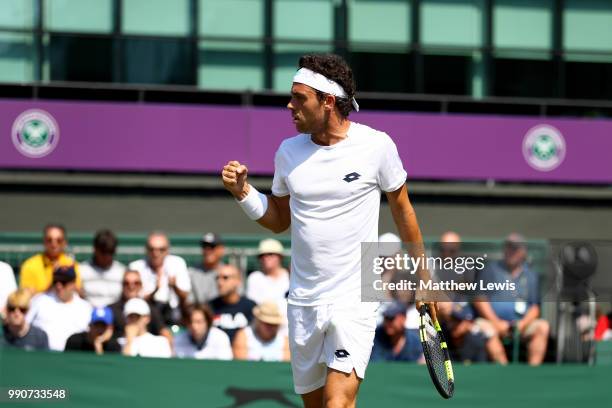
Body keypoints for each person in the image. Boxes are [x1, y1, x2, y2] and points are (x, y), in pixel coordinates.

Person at [222, 53, 434, 407]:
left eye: (299, 98)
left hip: (355, 297)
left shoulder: (376, 146)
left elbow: (403, 211)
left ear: (328, 101)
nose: (289, 106)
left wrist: (424, 279)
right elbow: (279, 219)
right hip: (303, 300)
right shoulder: (287, 153)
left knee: (338, 403)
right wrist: (243, 192)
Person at [474, 233, 550, 365]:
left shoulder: (531, 275)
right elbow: (480, 300)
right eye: (508, 247)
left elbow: (535, 308)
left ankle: (533, 374)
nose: (511, 252)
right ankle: (505, 371)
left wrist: (522, 324)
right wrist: (497, 322)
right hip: (494, 322)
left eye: (515, 248)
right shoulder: (490, 269)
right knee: (485, 329)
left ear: (523, 252)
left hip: (522, 325)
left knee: (543, 327)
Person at [129, 232, 191, 325]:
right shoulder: (136, 267)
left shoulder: (178, 263)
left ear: (167, 250)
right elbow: (135, 301)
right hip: (145, 319)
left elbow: (185, 296)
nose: (156, 253)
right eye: (152, 249)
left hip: (174, 317)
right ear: (146, 250)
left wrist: (174, 286)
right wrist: (155, 290)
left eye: (161, 249)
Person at [26, 266, 92, 351]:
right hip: (43, 356)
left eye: (63, 282)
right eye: (55, 281)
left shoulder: (85, 307)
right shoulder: (39, 301)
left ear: (73, 284)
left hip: (73, 357)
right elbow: (25, 326)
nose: (58, 286)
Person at [108, 270, 172, 344]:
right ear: (122, 285)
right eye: (126, 283)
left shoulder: (150, 309)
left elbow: (164, 332)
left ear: (141, 285)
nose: (131, 286)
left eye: (136, 283)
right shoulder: (111, 310)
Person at [19, 224, 82, 294]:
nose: (54, 244)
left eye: (59, 240)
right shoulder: (30, 265)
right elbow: (26, 297)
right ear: (44, 241)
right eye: (49, 240)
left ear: (65, 242)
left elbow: (78, 293)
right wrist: (53, 282)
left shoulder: (71, 264)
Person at [209, 264, 256, 344]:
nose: (220, 283)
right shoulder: (209, 307)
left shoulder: (251, 307)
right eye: (217, 278)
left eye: (225, 278)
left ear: (238, 281)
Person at [79, 230, 125, 307]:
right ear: (95, 249)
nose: (107, 256)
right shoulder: (81, 270)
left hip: (115, 315)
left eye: (110, 252)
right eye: (103, 252)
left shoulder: (122, 272)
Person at [246, 238, 289, 305]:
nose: (265, 258)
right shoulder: (255, 277)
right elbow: (253, 304)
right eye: (262, 256)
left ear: (280, 257)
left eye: (270, 254)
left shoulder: (290, 276)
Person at [188, 233, 225, 305]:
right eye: (205, 247)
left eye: (212, 247)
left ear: (221, 250)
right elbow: (189, 302)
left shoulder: (229, 273)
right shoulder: (191, 273)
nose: (208, 251)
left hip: (222, 313)